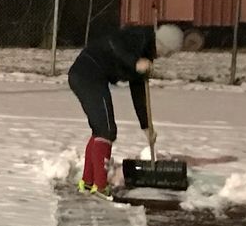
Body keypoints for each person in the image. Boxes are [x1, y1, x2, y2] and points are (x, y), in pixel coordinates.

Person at [68, 23, 185, 196]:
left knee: (101, 130)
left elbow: (139, 92)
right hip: (87, 74)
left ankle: (88, 183)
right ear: (163, 44)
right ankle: (100, 187)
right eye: (167, 52)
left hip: (93, 78)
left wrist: (146, 126)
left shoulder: (145, 56)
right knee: (106, 130)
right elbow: (114, 43)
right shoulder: (140, 37)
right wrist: (135, 62)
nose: (164, 56)